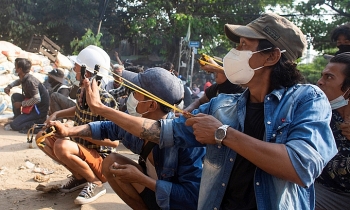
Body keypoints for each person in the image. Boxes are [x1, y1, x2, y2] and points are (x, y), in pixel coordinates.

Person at [79, 13, 338, 209]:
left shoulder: (307, 99)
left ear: (271, 57)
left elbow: (301, 166)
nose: (234, 53)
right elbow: (162, 132)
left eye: (244, 45)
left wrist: (223, 135)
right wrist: (103, 110)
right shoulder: (224, 104)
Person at [48, 67, 205, 210]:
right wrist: (69, 131)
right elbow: (106, 127)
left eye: (135, 92)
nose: (131, 96)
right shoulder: (134, 123)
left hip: (175, 204)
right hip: (155, 194)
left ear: (151, 106)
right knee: (111, 162)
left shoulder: (186, 143)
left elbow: (191, 198)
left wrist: (142, 179)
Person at [35, 45, 118, 205]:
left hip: (102, 161)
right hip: (84, 152)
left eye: (76, 67)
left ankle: (96, 183)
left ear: (87, 73)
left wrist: (72, 132)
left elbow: (113, 142)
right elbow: (79, 110)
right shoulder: (82, 92)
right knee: (41, 138)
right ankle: (80, 177)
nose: (73, 70)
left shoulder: (106, 101)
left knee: (62, 146)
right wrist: (57, 114)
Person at [315, 52, 350, 210]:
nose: (320, 82)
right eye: (322, 76)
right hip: (321, 189)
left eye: (329, 77)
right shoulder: (320, 114)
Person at [4, 58, 49, 132]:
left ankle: (38, 123)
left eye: (16, 67)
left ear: (20, 69)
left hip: (39, 110)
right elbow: (19, 81)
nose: (15, 69)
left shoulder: (30, 81)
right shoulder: (25, 78)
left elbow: (37, 99)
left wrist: (22, 104)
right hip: (32, 106)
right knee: (15, 96)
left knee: (15, 125)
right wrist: (9, 86)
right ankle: (18, 117)